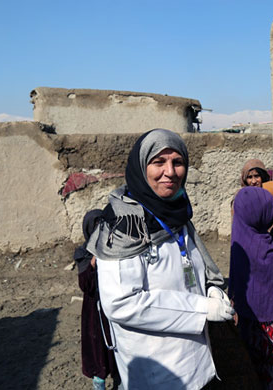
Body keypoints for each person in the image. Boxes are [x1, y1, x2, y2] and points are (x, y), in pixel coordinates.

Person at [87, 128, 234, 390]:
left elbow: (188, 267)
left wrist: (210, 288)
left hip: (199, 364)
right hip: (158, 373)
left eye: (178, 162)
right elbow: (121, 303)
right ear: (141, 167)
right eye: (158, 162)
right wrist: (202, 308)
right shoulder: (123, 226)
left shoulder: (177, 215)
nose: (170, 171)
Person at [229, 187, 273, 390]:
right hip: (269, 325)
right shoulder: (265, 250)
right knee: (272, 372)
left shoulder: (239, 238)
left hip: (245, 318)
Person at [74, 209, 120, 390]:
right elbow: (85, 285)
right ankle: (99, 383)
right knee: (97, 348)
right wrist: (94, 262)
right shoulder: (83, 254)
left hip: (114, 307)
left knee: (117, 348)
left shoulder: (116, 248)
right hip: (94, 311)